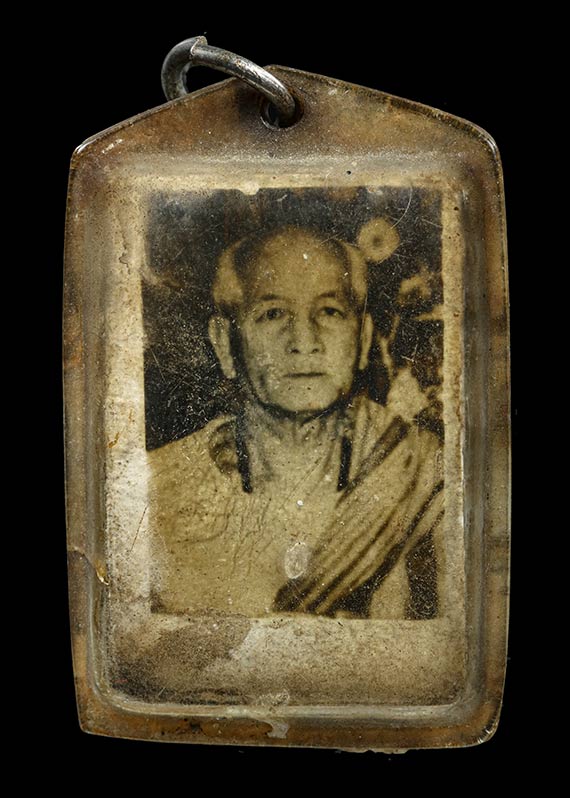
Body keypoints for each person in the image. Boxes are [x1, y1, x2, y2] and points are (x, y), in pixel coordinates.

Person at [148, 226, 444, 619]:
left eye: (330, 311)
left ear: (363, 339)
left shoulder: (422, 475)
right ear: (225, 344)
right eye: (272, 314)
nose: (304, 341)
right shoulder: (156, 491)